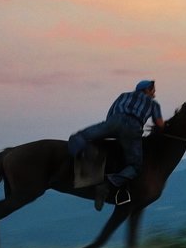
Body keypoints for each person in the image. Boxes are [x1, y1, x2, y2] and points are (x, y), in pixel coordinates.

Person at [68, 80, 164, 210]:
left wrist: (110, 130)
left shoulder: (123, 96)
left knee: (78, 136)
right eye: (152, 90)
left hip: (114, 122)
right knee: (135, 166)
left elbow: (110, 115)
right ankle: (107, 185)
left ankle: (87, 156)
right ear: (146, 90)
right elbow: (160, 125)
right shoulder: (153, 104)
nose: (154, 93)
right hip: (133, 128)